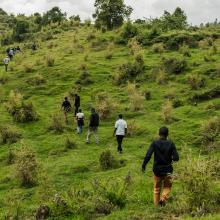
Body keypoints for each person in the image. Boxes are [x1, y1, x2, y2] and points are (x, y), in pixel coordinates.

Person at [142, 127, 179, 207]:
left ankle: (156, 206)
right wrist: (171, 159)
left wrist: (144, 165)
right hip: (168, 170)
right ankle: (163, 199)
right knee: (167, 186)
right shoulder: (171, 143)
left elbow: (148, 155)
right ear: (167, 134)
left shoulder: (154, 143)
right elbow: (176, 158)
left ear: (159, 134)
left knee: (156, 189)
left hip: (157, 170)